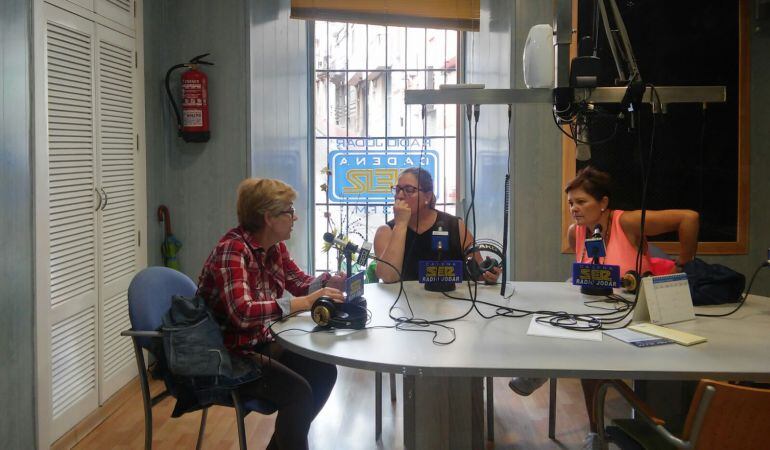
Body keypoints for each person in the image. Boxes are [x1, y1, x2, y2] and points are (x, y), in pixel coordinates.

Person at [508, 166, 699, 449]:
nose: (574, 208)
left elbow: (689, 218)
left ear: (604, 203)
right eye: (571, 203)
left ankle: (543, 368)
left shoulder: (629, 222)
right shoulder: (578, 233)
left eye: (582, 202)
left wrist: (685, 264)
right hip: (596, 318)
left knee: (585, 352)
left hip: (634, 317)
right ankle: (596, 433)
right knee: (583, 349)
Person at [197, 177, 345, 450]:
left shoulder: (274, 247)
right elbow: (242, 313)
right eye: (289, 211)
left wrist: (326, 284)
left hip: (258, 343)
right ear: (268, 217)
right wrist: (304, 302)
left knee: (324, 371)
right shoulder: (232, 250)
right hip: (227, 355)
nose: (295, 217)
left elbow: (300, 283)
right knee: (298, 392)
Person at [373, 167, 502, 283]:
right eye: (397, 190)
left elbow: (478, 273)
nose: (400, 196)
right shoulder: (385, 231)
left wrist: (489, 275)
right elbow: (388, 277)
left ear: (427, 197)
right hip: (404, 306)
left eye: (409, 190)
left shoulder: (456, 226)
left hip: (452, 304)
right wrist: (400, 225)